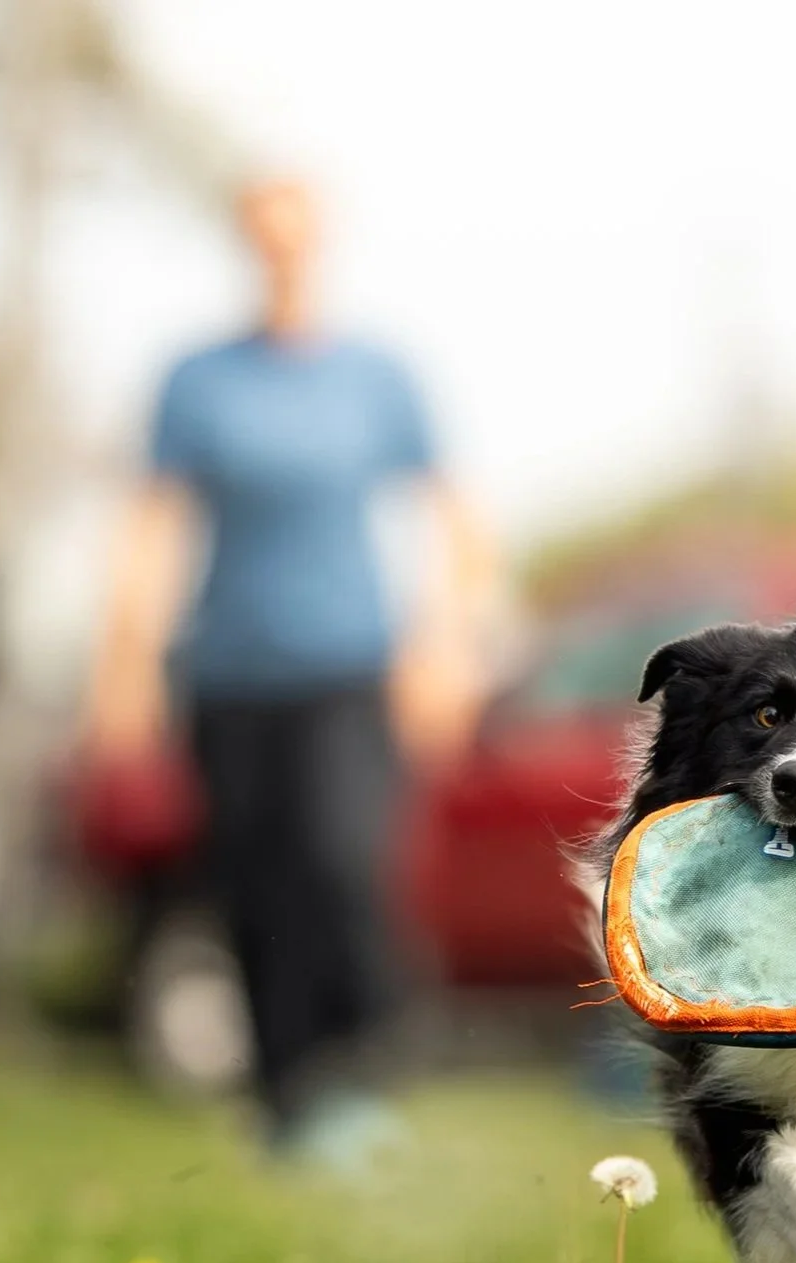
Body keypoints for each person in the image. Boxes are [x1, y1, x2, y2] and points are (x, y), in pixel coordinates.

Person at [83, 175, 499, 1170]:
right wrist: (125, 660)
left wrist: (447, 642)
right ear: (245, 244)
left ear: (316, 243)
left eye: (293, 236)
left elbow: (454, 519)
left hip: (350, 667)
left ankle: (358, 1066)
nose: (279, 253)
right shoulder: (199, 379)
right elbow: (154, 522)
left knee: (340, 860)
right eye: (261, 236)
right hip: (226, 673)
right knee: (252, 886)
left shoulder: (375, 376)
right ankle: (283, 1102)